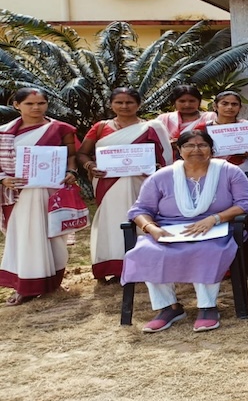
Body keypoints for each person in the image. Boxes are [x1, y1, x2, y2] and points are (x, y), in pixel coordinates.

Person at [122, 130, 248, 333]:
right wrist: (151, 228)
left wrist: (215, 218)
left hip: (217, 228)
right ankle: (168, 307)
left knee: (206, 250)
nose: (196, 150)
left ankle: (207, 307)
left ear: (212, 149)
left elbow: (246, 203)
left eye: (202, 145)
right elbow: (140, 210)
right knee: (148, 251)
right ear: (179, 150)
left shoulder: (229, 172)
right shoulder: (161, 177)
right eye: (189, 146)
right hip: (169, 229)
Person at [78, 87, 173, 280]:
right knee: (112, 221)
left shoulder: (152, 127)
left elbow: (166, 157)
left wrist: (155, 168)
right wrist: (89, 165)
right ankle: (115, 265)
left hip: (142, 183)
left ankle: (146, 265)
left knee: (144, 220)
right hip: (107, 183)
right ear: (111, 104)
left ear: (138, 104)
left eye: (129, 102)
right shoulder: (100, 127)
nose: (124, 106)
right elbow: (82, 153)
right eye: (119, 102)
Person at [0, 88, 80, 305]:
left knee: (54, 237)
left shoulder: (60, 128)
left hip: (51, 192)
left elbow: (71, 155)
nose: (36, 108)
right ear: (16, 105)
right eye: (29, 104)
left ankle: (53, 282)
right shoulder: (4, 133)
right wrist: (3, 179)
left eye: (41, 103)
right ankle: (25, 286)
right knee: (24, 238)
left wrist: (71, 172)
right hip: (18, 194)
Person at [204, 91, 248, 188]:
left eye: (234, 104)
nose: (230, 107)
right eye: (225, 103)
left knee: (246, 199)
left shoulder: (247, 126)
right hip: (213, 169)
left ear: (240, 107)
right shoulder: (204, 128)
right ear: (215, 106)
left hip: (243, 167)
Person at [155, 84, 210, 158]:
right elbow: (154, 142)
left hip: (200, 160)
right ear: (174, 103)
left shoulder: (208, 118)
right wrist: (168, 144)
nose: (187, 105)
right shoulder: (164, 119)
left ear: (199, 102)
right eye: (182, 101)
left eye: (192, 101)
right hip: (168, 162)